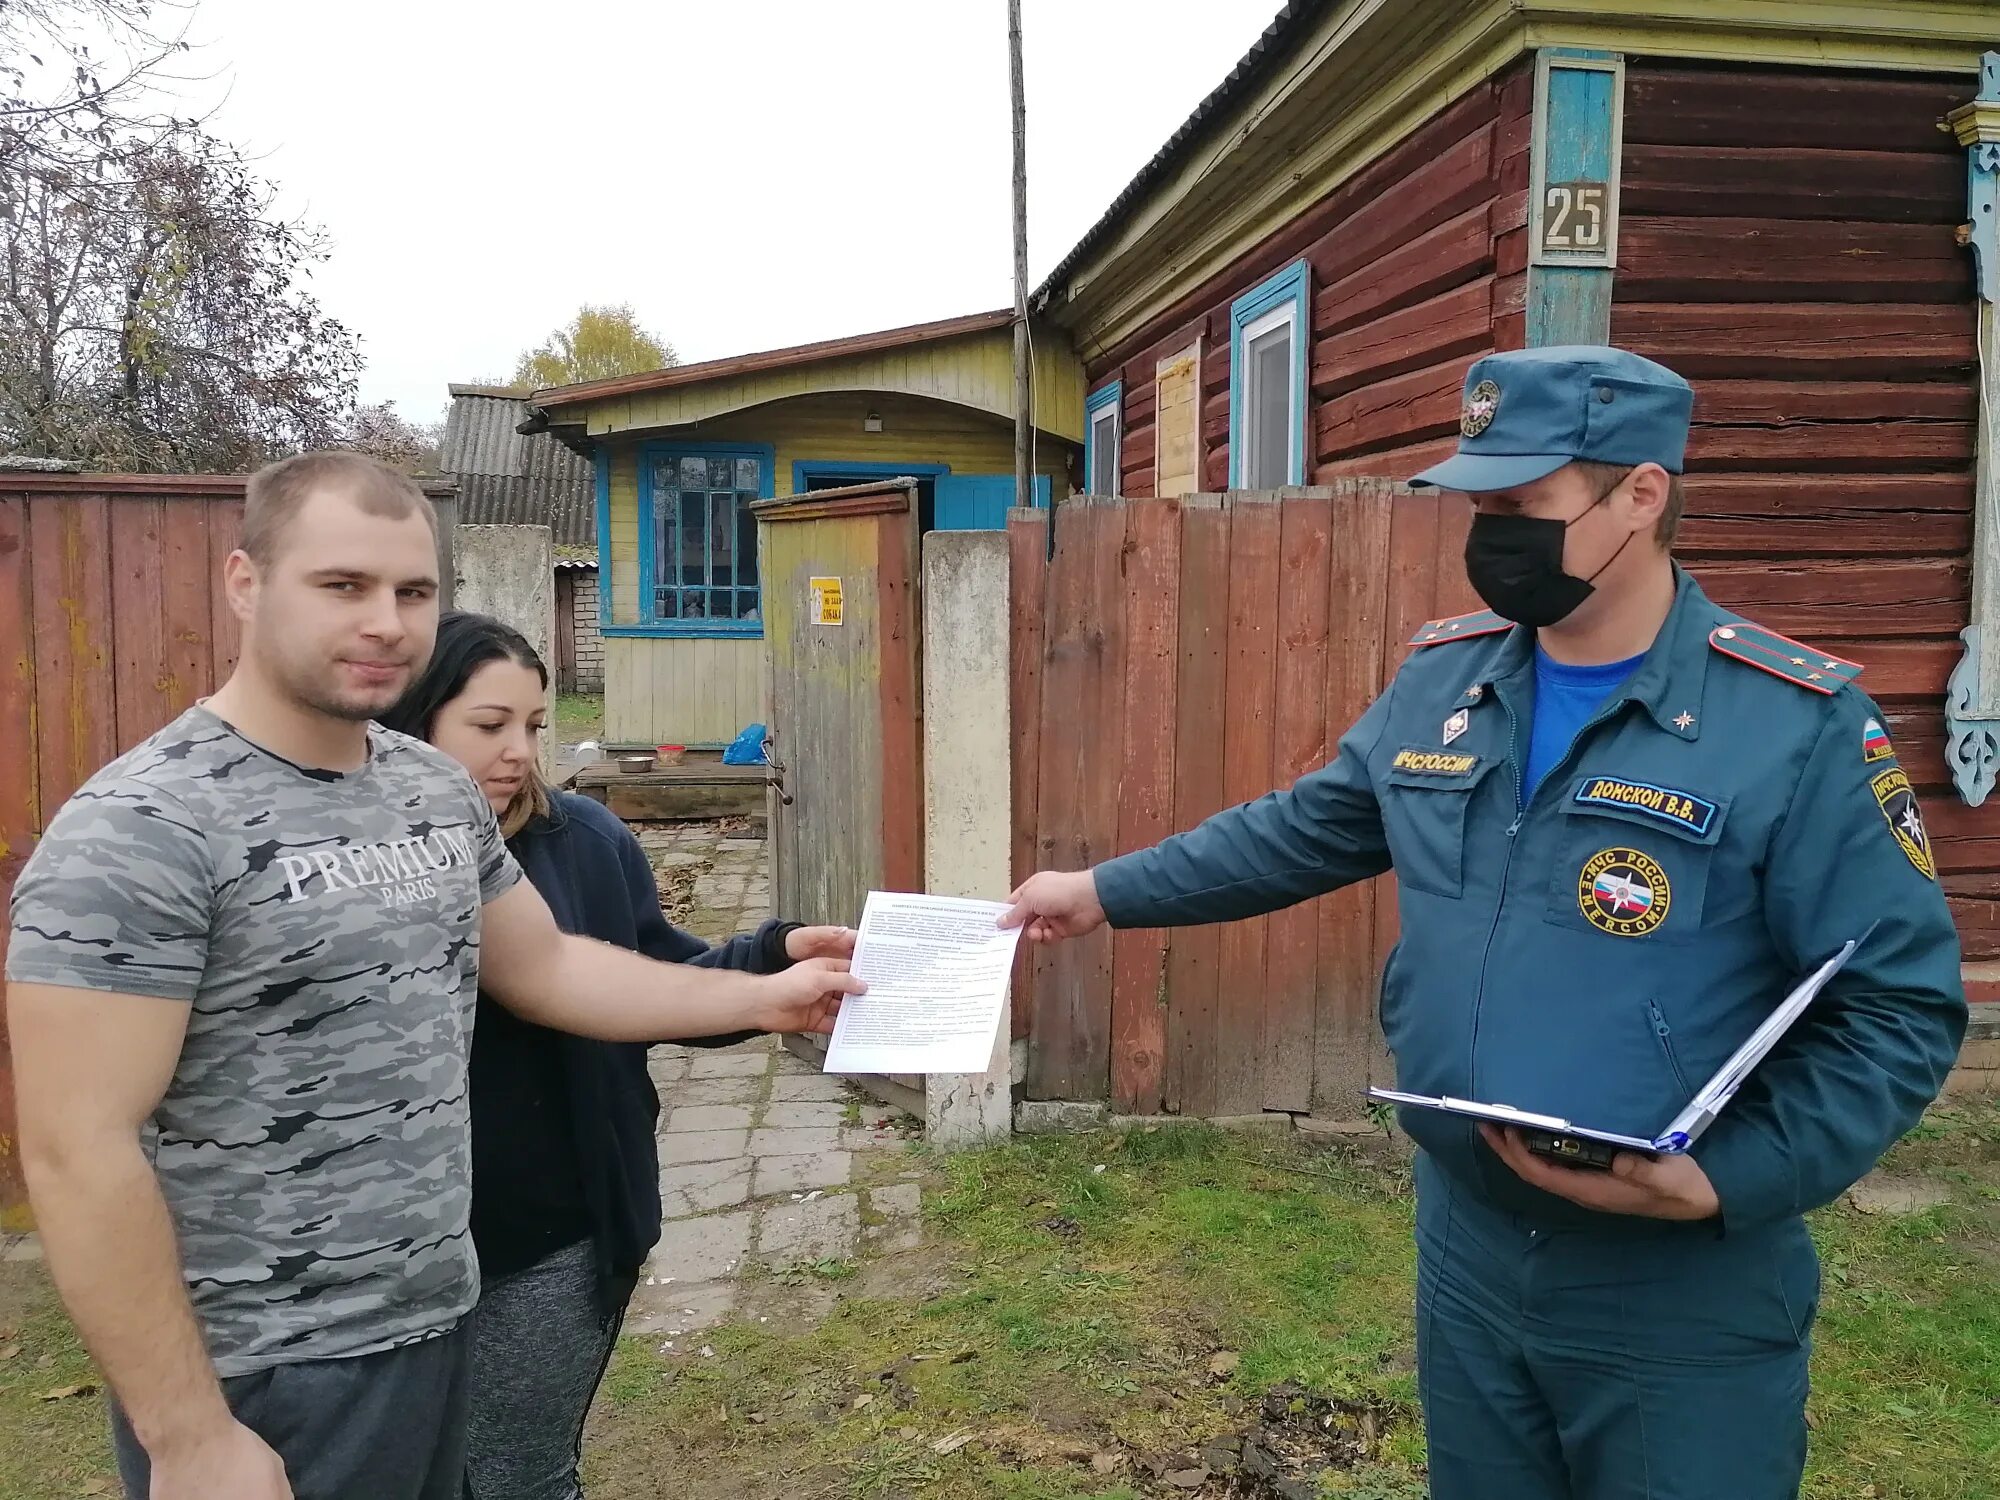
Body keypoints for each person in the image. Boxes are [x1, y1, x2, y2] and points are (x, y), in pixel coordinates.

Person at [1001, 346, 1967, 1500]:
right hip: (1465, 1249)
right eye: (1478, 506)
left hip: (1671, 1282)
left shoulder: (1790, 726)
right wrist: (1102, 892)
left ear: (1640, 495)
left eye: (1521, 506)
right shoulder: (1446, 681)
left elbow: (1896, 1008)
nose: (1489, 534)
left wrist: (1733, 1177)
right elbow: (1301, 832)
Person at [4, 452, 862, 1500]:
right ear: (245, 582)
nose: (386, 622)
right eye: (342, 586)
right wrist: (187, 1435)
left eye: (412, 592)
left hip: (439, 1315)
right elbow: (74, 1149)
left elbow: (547, 968)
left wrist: (762, 994)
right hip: (268, 1365)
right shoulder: (141, 829)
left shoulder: (427, 792)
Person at [377, 611, 843, 1500]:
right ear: (411, 722)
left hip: (560, 1230)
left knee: (520, 1476)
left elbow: (660, 977)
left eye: (533, 726)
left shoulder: (584, 840)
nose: (518, 752)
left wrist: (773, 958)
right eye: (488, 725)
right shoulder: (364, 869)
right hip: (399, 1248)